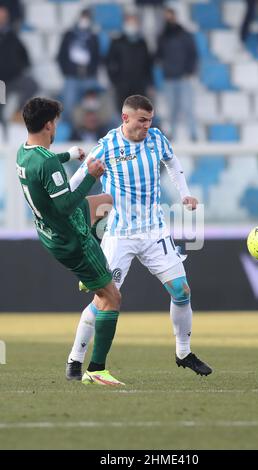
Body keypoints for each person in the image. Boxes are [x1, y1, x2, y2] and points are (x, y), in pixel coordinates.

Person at [70, 94, 213, 377]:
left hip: (154, 231)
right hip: (120, 234)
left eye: (150, 120)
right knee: (103, 300)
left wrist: (185, 195)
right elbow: (77, 181)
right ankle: (75, 359)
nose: (148, 126)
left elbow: (172, 163)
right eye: (142, 120)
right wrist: (65, 207)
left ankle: (183, 352)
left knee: (181, 291)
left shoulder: (157, 138)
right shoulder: (108, 145)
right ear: (125, 118)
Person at [16, 97, 124, 386]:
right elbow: (65, 205)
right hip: (71, 236)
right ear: (49, 124)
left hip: (50, 230)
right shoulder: (48, 162)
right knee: (111, 298)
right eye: (56, 123)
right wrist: (90, 176)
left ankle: (89, 275)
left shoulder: (23, 153)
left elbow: (46, 165)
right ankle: (97, 369)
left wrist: (69, 154)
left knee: (106, 202)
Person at [156, 6, 198, 141]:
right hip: (169, 78)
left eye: (170, 16)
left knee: (187, 108)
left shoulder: (184, 35)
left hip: (183, 77)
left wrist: (189, 71)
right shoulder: (163, 36)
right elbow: (158, 55)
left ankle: (193, 134)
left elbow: (193, 54)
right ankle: (172, 135)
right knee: (172, 109)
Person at [57, 9, 102, 123]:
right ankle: (70, 132)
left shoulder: (93, 37)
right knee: (68, 106)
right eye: (83, 17)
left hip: (89, 77)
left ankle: (88, 130)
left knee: (92, 106)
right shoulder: (69, 35)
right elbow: (61, 55)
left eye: (87, 18)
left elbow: (97, 57)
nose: (85, 20)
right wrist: (66, 71)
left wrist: (92, 72)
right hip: (72, 77)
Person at [106, 12, 153, 112]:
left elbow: (147, 63)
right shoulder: (117, 41)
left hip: (139, 85)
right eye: (129, 22)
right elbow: (109, 61)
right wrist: (114, 79)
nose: (132, 25)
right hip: (122, 84)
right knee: (122, 111)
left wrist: (148, 81)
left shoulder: (142, 43)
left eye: (134, 22)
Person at [0, 5, 37, 124]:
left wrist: (23, 66)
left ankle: (17, 112)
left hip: (14, 78)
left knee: (31, 85)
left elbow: (23, 53)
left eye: (4, 17)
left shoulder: (12, 35)